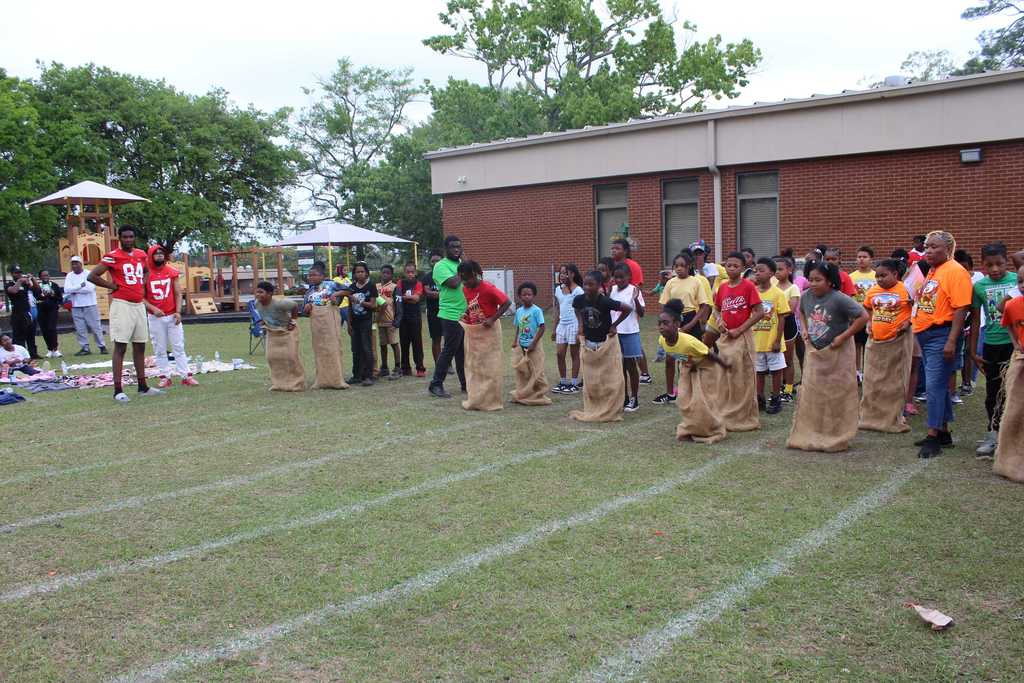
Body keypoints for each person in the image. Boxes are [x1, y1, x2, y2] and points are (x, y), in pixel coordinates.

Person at [787, 261, 869, 452]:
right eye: (810, 279)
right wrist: (805, 330)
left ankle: (836, 432)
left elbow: (863, 316)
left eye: (818, 280)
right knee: (815, 392)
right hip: (816, 353)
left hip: (837, 352)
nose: (813, 283)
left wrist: (843, 337)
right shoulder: (806, 296)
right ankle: (815, 429)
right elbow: (801, 312)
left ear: (830, 281)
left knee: (835, 393)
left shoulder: (839, 299)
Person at [911, 230, 973, 459]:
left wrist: (951, 340)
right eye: (926, 246)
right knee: (938, 385)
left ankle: (932, 436)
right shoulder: (935, 270)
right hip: (926, 334)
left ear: (948, 249)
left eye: (934, 246)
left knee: (934, 387)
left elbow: (961, 308)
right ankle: (944, 431)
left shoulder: (956, 271)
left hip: (941, 334)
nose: (928, 250)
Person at [88, 225, 162, 402]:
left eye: (131, 237)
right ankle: (118, 389)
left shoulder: (140, 254)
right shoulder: (113, 256)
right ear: (119, 238)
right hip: (122, 305)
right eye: (125, 237)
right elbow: (92, 276)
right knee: (121, 346)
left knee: (140, 345)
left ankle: (142, 386)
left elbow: (145, 271)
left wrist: (141, 285)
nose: (128, 240)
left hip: (138, 305)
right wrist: (112, 286)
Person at [970, 243, 1018, 458]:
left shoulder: (1018, 280)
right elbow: (976, 319)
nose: (995, 269)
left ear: (1007, 262)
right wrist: (972, 351)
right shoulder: (979, 286)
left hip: (1015, 344)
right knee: (993, 393)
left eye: (1000, 263)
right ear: (983, 265)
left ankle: (1014, 436)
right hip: (992, 345)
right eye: (989, 265)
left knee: (1014, 392)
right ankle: (993, 434)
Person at [659, 299, 731, 443]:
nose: (661, 327)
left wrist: (725, 366)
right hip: (688, 368)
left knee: (702, 401)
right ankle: (691, 427)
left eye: (666, 323)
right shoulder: (662, 340)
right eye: (659, 323)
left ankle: (711, 428)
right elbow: (671, 357)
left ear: (677, 324)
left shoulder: (688, 342)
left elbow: (709, 354)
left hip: (706, 368)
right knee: (684, 399)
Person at [860, 259, 915, 433]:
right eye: (877, 276)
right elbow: (867, 308)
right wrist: (869, 321)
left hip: (897, 341)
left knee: (895, 381)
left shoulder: (905, 290)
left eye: (884, 275)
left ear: (895, 275)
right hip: (876, 341)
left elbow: (916, 310)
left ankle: (894, 415)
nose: (879, 279)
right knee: (873, 379)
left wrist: (907, 323)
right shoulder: (873, 291)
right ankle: (872, 415)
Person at [571, 270, 631, 422]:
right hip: (589, 343)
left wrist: (615, 325)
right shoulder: (579, 299)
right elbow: (577, 309)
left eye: (591, 285)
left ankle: (611, 406)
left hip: (605, 343)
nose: (587, 287)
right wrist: (580, 324)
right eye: (585, 284)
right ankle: (595, 406)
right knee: (592, 377)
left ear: (599, 286)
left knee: (608, 377)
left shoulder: (604, 301)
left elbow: (627, 308)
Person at [653, 252, 712, 405]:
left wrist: (691, 324)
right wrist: (666, 322)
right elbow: (664, 304)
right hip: (673, 320)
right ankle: (672, 393)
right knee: (672, 358)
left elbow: (704, 305)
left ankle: (697, 390)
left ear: (689, 266)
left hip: (690, 319)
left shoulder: (696, 281)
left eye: (682, 266)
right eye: (676, 266)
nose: (679, 269)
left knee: (692, 358)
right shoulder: (671, 283)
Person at [144, 245, 197, 388]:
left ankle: (186, 375)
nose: (160, 256)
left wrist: (178, 311)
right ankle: (165, 376)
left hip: (172, 315)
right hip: (155, 317)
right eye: (156, 254)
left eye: (162, 253)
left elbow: (178, 293)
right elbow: (140, 296)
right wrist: (153, 309)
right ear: (150, 256)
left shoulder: (171, 271)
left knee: (178, 346)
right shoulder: (146, 273)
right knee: (159, 348)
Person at [429, 236, 467, 398]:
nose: (457, 250)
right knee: (449, 350)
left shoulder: (460, 265)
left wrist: (464, 266)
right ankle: (436, 384)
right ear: (446, 249)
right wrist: (464, 268)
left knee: (462, 352)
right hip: (450, 314)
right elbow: (453, 283)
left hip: (465, 315)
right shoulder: (441, 265)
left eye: (459, 247)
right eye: (453, 247)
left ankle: (466, 383)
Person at [752, 258, 791, 415]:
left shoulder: (778, 294)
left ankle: (775, 398)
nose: (757, 273)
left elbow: (782, 317)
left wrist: (777, 340)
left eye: (761, 270)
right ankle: (759, 397)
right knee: (759, 371)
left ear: (771, 274)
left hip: (772, 341)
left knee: (776, 371)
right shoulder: (752, 292)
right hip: (756, 341)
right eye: (756, 270)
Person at [610, 238, 651, 384]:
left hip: (630, 310)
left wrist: (634, 301)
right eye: (612, 248)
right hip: (616, 314)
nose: (614, 251)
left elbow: (636, 287)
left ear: (625, 251)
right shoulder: (614, 265)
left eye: (617, 248)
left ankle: (645, 373)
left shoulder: (632, 265)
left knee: (634, 347)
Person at [303, 262, 348, 390]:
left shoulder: (331, 284)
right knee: (320, 350)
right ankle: (321, 380)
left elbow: (350, 289)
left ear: (322, 276)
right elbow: (305, 313)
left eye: (314, 275)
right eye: (309, 275)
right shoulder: (309, 292)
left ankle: (337, 380)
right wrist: (307, 308)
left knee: (333, 349)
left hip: (331, 321)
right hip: (317, 325)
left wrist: (336, 295)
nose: (311, 278)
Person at [610, 264, 645, 412]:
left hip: (630, 331)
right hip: (615, 332)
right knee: (619, 367)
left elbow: (641, 313)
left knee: (631, 365)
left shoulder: (634, 290)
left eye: (622, 277)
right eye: (616, 277)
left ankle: (634, 398)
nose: (619, 280)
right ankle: (623, 396)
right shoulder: (612, 290)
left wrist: (636, 300)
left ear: (629, 277)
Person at [62, 255, 107, 355]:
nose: (74, 266)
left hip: (90, 304)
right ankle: (85, 348)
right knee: (80, 328)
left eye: (76, 263)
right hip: (76, 305)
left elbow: (89, 288)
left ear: (80, 264)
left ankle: (102, 346)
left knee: (95, 327)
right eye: (72, 264)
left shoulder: (88, 273)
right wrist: (80, 286)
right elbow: (67, 289)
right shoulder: (69, 275)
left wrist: (75, 290)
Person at [552, 264, 584, 393]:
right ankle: (563, 382)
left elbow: (581, 311)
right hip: (562, 325)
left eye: (565, 273)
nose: (562, 275)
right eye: (561, 273)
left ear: (573, 274)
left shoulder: (578, 291)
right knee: (560, 354)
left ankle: (574, 383)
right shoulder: (558, 290)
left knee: (574, 354)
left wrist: (581, 329)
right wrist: (554, 328)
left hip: (574, 324)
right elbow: (558, 308)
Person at [774, 256, 802, 401]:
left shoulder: (793, 288)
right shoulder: (772, 287)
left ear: (789, 270)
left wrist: (775, 311)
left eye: (780, 269)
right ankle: (778, 388)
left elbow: (790, 309)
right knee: (777, 359)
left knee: (788, 359)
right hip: (773, 325)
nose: (777, 272)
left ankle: (788, 390)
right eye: (775, 269)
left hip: (788, 325)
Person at [346, 261, 378, 386]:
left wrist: (359, 301)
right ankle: (356, 375)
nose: (359, 274)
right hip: (354, 322)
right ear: (354, 274)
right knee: (355, 349)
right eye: (357, 272)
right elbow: (349, 306)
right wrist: (348, 323)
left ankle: (368, 376)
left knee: (366, 348)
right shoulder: (352, 288)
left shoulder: (371, 286)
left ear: (366, 273)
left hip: (366, 321)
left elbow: (373, 305)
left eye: (362, 272)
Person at [849, 246, 877, 382]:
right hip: (856, 316)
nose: (861, 259)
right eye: (859, 256)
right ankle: (856, 372)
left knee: (869, 345)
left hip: (872, 316)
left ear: (871, 259)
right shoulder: (852, 276)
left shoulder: (876, 276)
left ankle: (868, 372)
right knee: (856, 345)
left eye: (864, 257)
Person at [4, 266, 41, 360]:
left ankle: (33, 353)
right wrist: (19, 281)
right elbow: (13, 291)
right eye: (17, 273)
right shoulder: (9, 284)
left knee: (31, 333)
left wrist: (32, 278)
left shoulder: (25, 284)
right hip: (17, 313)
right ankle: (20, 355)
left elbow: (37, 289)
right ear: (12, 274)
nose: (19, 274)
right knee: (19, 336)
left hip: (27, 312)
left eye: (20, 272)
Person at [398, 262, 426, 377]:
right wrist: (408, 297)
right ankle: (405, 368)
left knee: (417, 343)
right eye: (408, 272)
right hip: (403, 317)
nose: (410, 274)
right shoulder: (400, 283)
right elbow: (398, 297)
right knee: (404, 343)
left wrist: (405, 297)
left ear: (415, 273)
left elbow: (416, 298)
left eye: (412, 272)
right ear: (404, 272)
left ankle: (420, 368)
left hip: (415, 317)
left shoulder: (418, 283)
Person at [376, 264, 403, 381]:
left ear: (391, 275)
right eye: (383, 272)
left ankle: (398, 368)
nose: (385, 275)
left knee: (394, 343)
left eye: (388, 273)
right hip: (379, 321)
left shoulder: (395, 287)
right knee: (382, 344)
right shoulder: (376, 286)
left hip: (391, 321)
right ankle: (384, 367)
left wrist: (396, 322)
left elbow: (399, 306)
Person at [35, 270, 63, 358]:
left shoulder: (54, 285)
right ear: (40, 277)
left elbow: (60, 298)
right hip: (41, 310)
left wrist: (52, 294)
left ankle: (55, 349)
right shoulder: (37, 286)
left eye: (47, 275)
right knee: (44, 329)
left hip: (52, 310)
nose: (45, 277)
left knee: (52, 328)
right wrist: (42, 295)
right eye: (43, 276)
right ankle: (50, 349)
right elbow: (36, 297)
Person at [422, 250, 443, 365]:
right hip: (433, 312)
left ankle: (447, 364)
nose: (435, 263)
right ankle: (438, 364)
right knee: (436, 339)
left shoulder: (446, 275)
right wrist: (442, 294)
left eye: (437, 261)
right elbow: (428, 292)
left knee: (449, 340)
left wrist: (437, 294)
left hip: (446, 311)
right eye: (432, 261)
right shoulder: (427, 277)